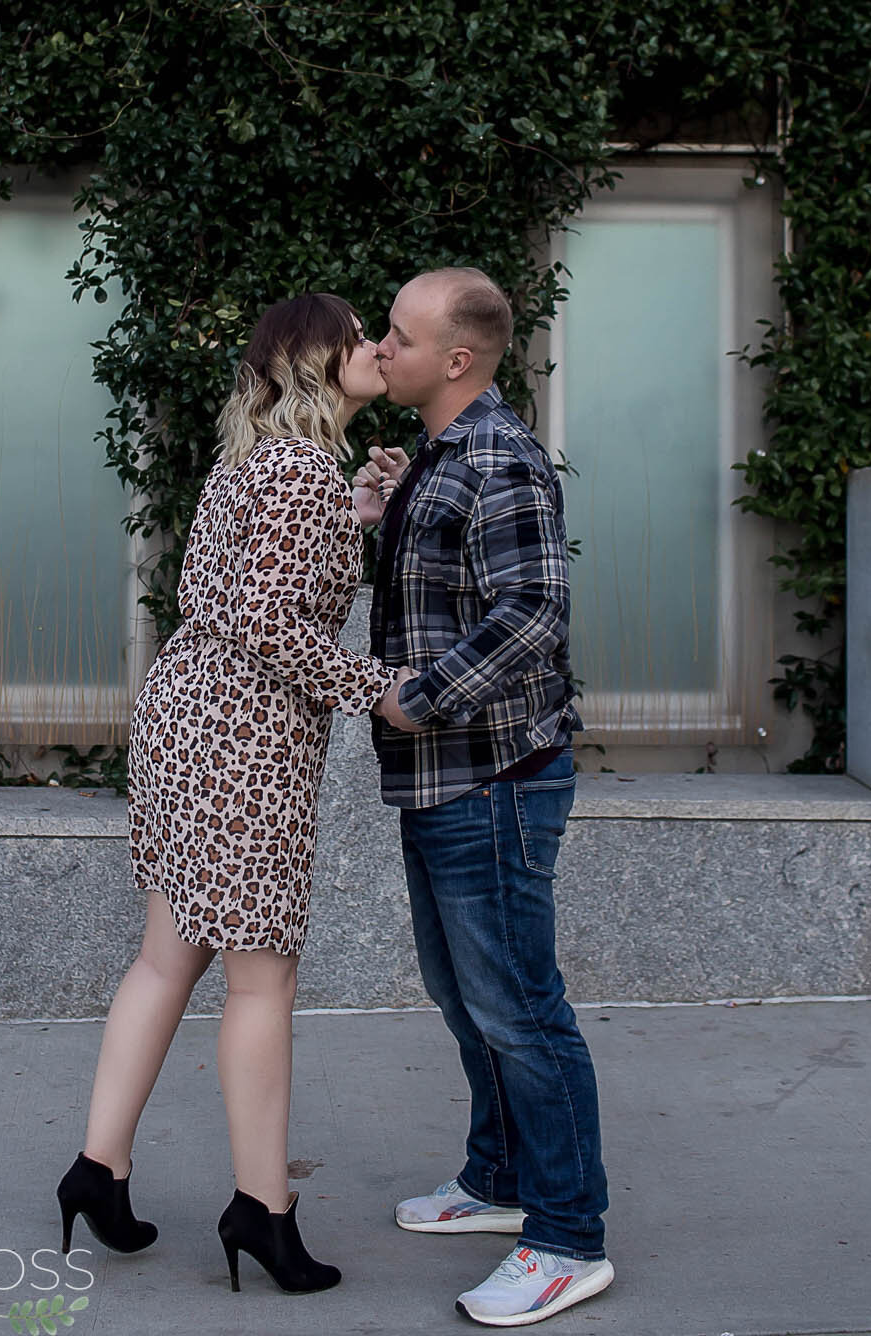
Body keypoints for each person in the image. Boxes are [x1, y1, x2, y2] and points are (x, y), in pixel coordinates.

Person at [57, 293, 403, 1296]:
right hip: (241, 736)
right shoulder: (301, 466)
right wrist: (374, 687)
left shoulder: (263, 458)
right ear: (321, 361)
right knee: (262, 981)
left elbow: (253, 586)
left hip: (188, 714)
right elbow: (269, 620)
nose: (377, 347)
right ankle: (262, 1208)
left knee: (167, 956)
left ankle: (98, 1168)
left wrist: (359, 516)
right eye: (360, 336)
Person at [363, 267, 613, 1327]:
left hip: (492, 775)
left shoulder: (499, 453)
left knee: (522, 1008)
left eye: (399, 334)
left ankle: (566, 1237)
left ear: (455, 358)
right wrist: (384, 509)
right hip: (444, 777)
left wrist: (420, 699)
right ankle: (499, 1175)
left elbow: (534, 611)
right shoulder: (443, 454)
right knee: (469, 996)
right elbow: (446, 588)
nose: (381, 346)